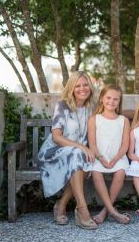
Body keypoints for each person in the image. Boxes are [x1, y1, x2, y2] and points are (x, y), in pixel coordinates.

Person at [37, 71, 98, 230]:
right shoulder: (63, 106)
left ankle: (61, 204)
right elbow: (57, 137)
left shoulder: (91, 107)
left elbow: (113, 113)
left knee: (82, 161)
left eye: (85, 85)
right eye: (77, 86)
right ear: (71, 88)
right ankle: (82, 209)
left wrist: (138, 113)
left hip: (76, 155)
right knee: (79, 156)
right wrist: (82, 147)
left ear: (90, 87)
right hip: (55, 152)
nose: (82, 88)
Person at [88, 84, 131, 224]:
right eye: (108, 98)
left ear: (119, 102)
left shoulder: (123, 120)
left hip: (118, 157)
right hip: (99, 156)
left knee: (120, 172)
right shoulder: (94, 119)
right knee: (95, 171)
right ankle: (113, 211)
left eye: (115, 99)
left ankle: (105, 211)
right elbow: (92, 144)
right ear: (101, 99)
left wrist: (115, 159)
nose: (111, 102)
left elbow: (125, 145)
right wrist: (100, 157)